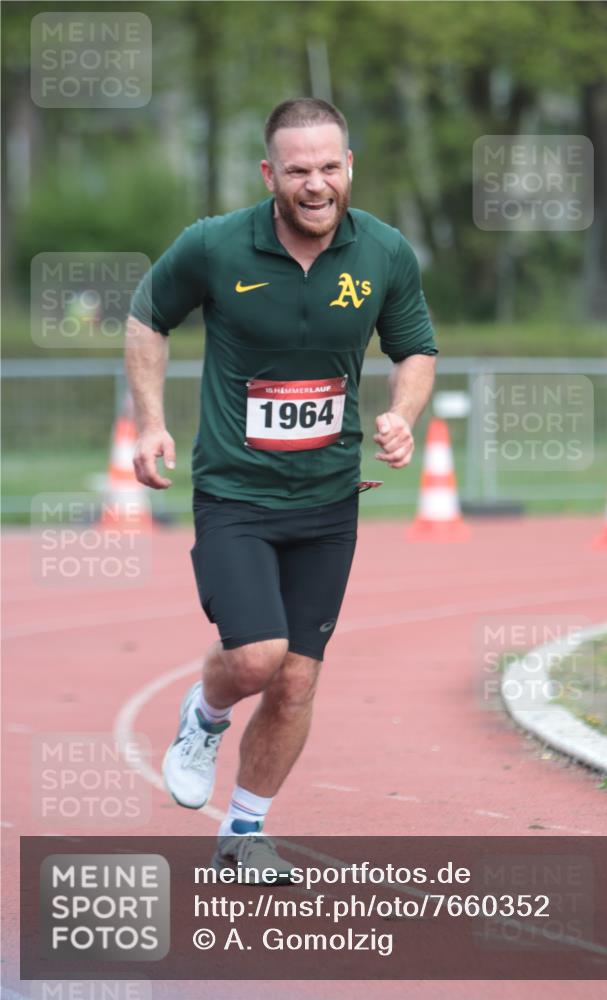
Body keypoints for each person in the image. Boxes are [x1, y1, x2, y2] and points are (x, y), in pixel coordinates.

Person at [126, 98, 436, 878]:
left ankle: (244, 830)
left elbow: (416, 349)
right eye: (297, 170)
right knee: (258, 656)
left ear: (349, 168)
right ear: (270, 174)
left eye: (329, 167)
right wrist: (152, 421)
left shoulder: (385, 254)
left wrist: (402, 413)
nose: (315, 184)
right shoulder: (214, 245)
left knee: (297, 680)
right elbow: (145, 317)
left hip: (330, 499)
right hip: (236, 492)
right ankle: (203, 714)